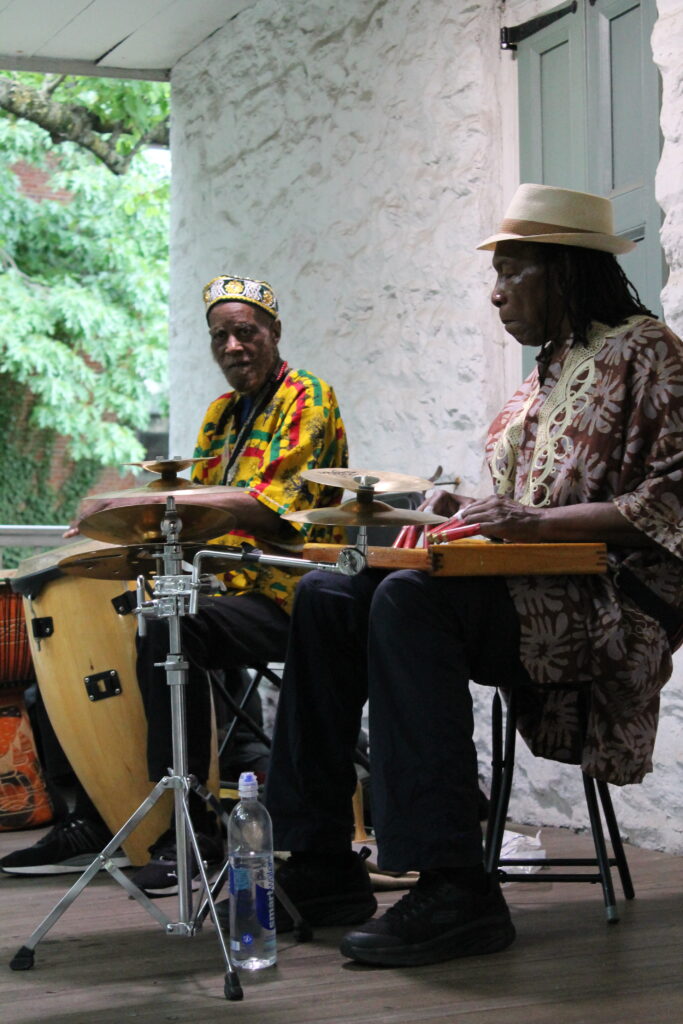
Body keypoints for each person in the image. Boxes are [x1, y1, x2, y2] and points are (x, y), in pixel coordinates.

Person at [261, 184, 683, 967]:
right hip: (523, 586)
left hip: (603, 601)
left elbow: (668, 499)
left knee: (410, 603)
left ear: (564, 269)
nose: (495, 292)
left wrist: (531, 523)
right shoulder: (548, 370)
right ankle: (317, 859)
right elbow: (527, 502)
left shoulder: (647, 351)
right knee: (327, 592)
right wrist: (473, 505)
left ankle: (455, 886)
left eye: (513, 270)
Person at [1, 274, 348, 888]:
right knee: (110, 624)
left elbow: (266, 507)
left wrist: (133, 505)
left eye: (247, 332)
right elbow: (188, 508)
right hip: (220, 586)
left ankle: (189, 825)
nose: (234, 347)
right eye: (221, 337)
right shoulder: (220, 415)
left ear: (273, 333)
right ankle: (91, 811)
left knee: (168, 625)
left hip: (286, 590)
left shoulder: (308, 397)